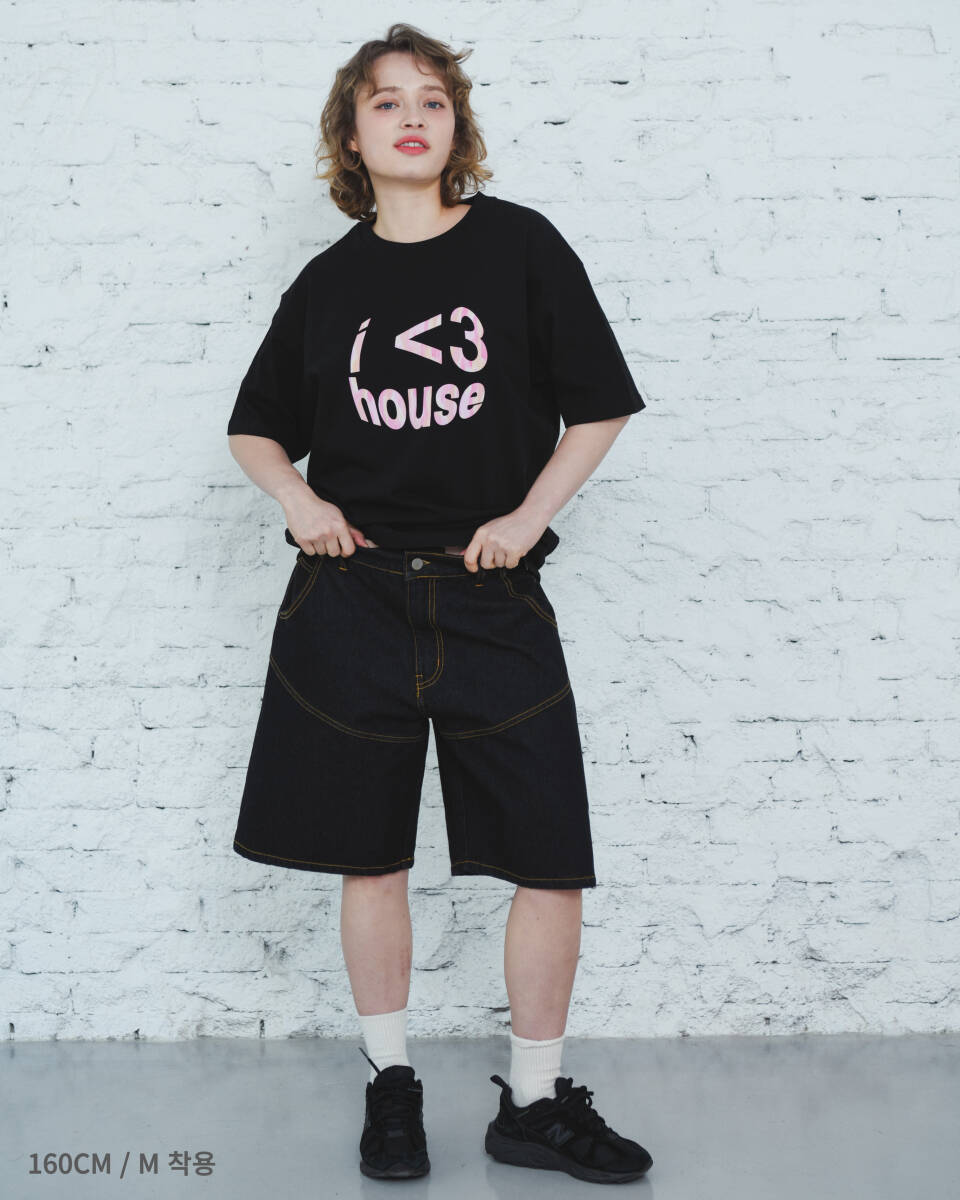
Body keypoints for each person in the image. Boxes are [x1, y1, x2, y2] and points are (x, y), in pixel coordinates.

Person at [226, 22, 653, 1186]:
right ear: (352, 135)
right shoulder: (330, 284)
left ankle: (534, 1104)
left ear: (455, 127)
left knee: (549, 857)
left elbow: (601, 405)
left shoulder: (519, 248)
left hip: (492, 598)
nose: (410, 116)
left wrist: (525, 516)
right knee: (371, 858)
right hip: (352, 602)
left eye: (431, 99)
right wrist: (297, 497)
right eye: (384, 101)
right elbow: (255, 427)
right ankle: (392, 1088)